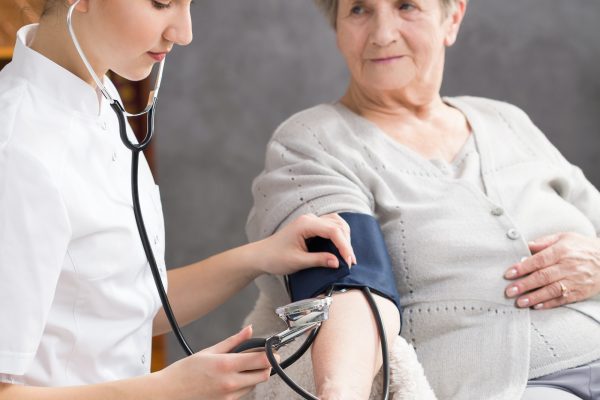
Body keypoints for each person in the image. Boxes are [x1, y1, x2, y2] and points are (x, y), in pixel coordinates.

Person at [243, 0, 600, 399]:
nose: (382, 34)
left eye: (406, 6)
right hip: (510, 387)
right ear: (338, 27)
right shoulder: (314, 142)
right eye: (359, 10)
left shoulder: (506, 121)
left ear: (452, 18)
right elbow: (346, 288)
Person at [0, 1, 357, 399]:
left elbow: (121, 307)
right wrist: (167, 389)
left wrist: (259, 257)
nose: (183, 33)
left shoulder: (98, 103)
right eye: (161, 3)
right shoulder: (17, 149)